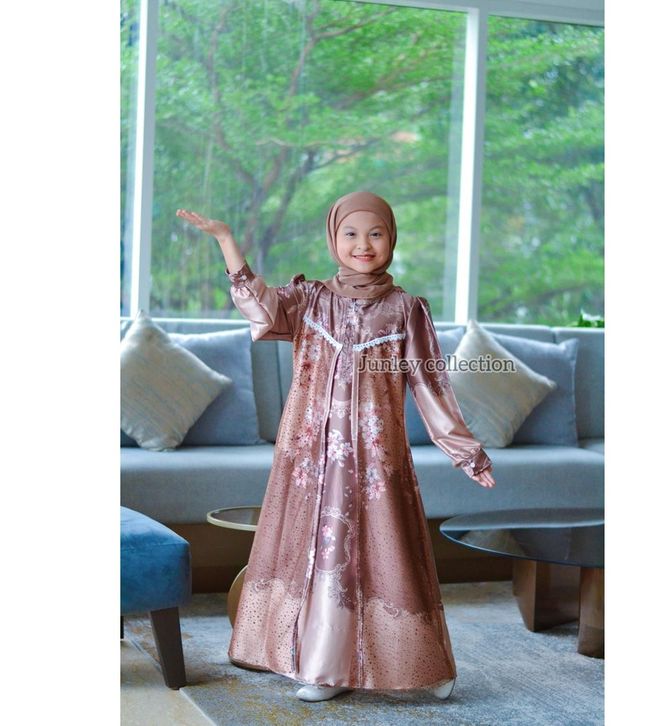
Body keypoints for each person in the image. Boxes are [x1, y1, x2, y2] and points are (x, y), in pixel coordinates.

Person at [176, 191, 495, 703]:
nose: (363, 244)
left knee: (389, 555)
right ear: (333, 239)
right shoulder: (309, 300)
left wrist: (465, 452)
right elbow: (258, 306)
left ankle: (421, 665)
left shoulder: (406, 310)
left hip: (376, 461)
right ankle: (326, 668)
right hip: (312, 461)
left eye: (375, 233)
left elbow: (430, 383)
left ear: (391, 239)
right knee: (322, 555)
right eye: (351, 233)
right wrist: (227, 241)